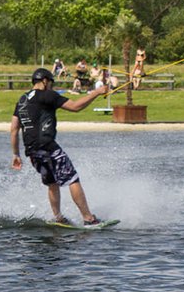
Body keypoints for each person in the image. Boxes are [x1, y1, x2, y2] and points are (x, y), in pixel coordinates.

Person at [10, 67, 109, 226]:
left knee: (52, 182)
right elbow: (76, 106)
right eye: (50, 83)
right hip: (48, 147)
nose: (51, 87)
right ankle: (88, 218)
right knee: (72, 178)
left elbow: (14, 129)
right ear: (44, 81)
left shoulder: (22, 100)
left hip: (32, 152)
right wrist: (96, 92)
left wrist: (16, 154)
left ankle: (58, 218)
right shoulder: (47, 95)